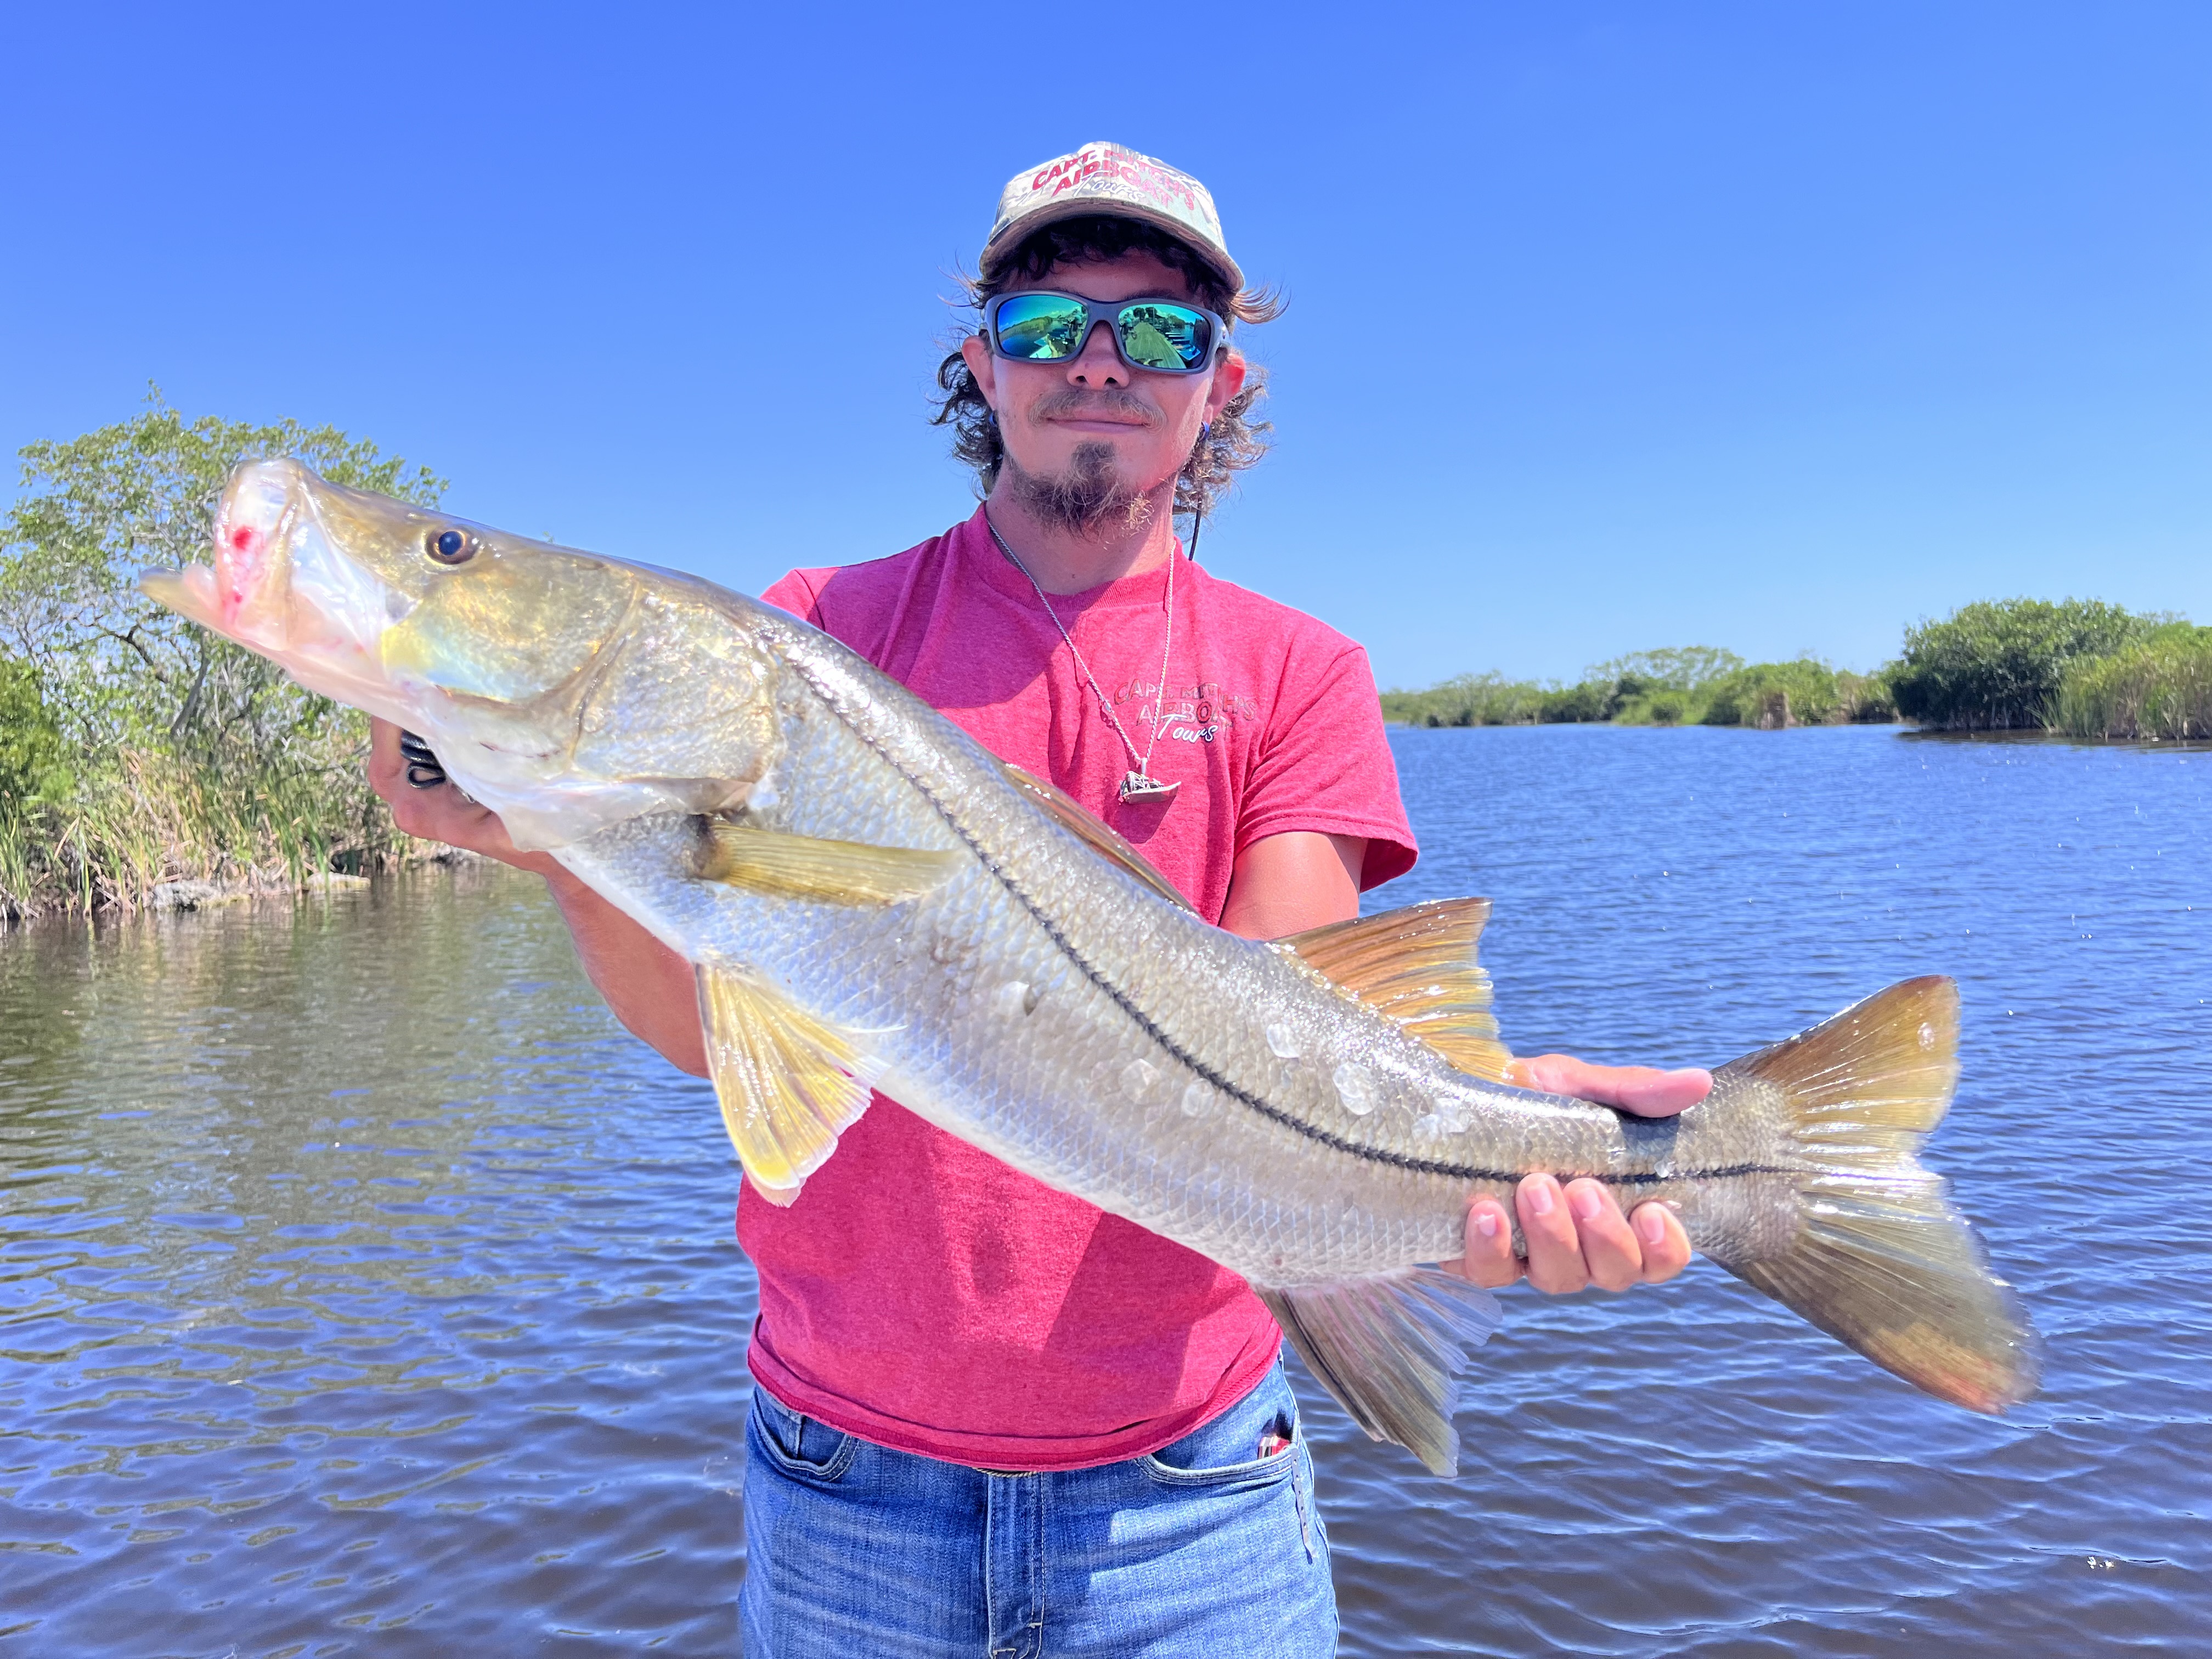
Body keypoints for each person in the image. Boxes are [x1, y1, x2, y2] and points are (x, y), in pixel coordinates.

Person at [370, 141, 1712, 1657]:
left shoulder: (1302, 673)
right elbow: (709, 1026)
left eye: (1157, 331)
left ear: (1225, 383)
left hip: (1191, 1498)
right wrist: (558, 843)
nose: (1097, 363)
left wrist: (1500, 1130)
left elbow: (1281, 1044)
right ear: (978, 364)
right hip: (842, 1488)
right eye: (1043, 324)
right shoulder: (819, 635)